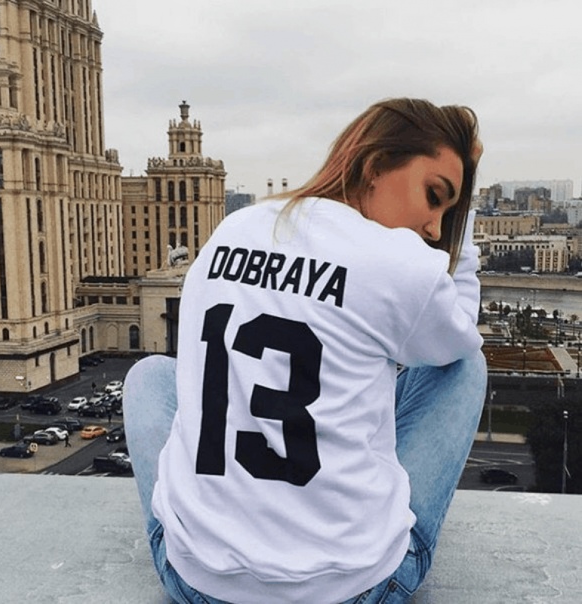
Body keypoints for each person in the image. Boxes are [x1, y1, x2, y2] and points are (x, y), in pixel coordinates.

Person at [124, 97, 487, 604]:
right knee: (465, 365)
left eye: (447, 213)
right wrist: (462, 233)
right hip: (353, 591)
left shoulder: (236, 226)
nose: (434, 227)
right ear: (375, 166)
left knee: (150, 375)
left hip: (196, 582)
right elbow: (461, 333)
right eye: (435, 197)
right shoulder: (400, 261)